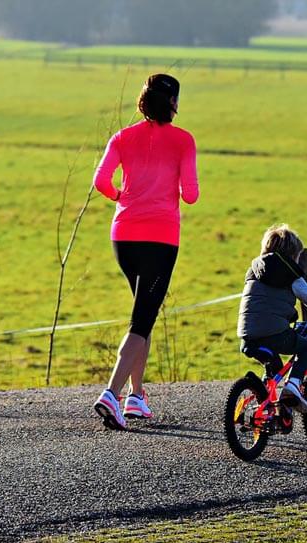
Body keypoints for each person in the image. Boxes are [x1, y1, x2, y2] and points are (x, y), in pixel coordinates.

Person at [91, 74, 199, 430]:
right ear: (173, 104)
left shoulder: (122, 137)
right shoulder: (183, 141)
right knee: (142, 319)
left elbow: (101, 181)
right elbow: (191, 194)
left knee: (144, 312)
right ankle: (112, 393)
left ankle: (136, 397)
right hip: (161, 237)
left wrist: (120, 197)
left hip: (123, 236)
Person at [237, 224, 307, 411]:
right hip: (273, 333)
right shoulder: (287, 271)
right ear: (292, 254)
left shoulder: (254, 269)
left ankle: (267, 406)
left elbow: (262, 303)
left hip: (247, 336)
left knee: (274, 368)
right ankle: (292, 387)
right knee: (306, 348)